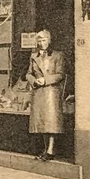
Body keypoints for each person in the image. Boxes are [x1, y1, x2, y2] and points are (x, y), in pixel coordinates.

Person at [26, 29, 65, 161]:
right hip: (38, 91)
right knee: (41, 121)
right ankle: (45, 149)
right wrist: (33, 81)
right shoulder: (33, 56)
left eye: (44, 40)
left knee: (51, 121)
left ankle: (51, 149)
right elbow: (28, 73)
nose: (41, 43)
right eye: (39, 40)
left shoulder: (57, 55)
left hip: (51, 92)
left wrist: (46, 80)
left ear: (49, 41)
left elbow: (60, 74)